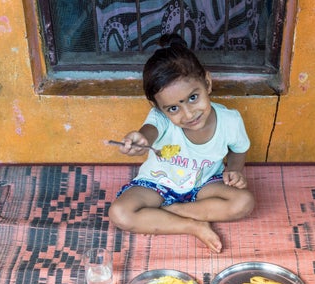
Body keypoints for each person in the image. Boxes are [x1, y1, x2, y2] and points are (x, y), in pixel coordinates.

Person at [108, 33, 255, 253]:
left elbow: (239, 150)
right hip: (158, 186)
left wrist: (234, 171)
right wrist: (140, 139)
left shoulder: (230, 121)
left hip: (204, 185)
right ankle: (191, 224)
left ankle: (173, 211)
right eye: (173, 108)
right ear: (158, 107)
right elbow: (148, 132)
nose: (188, 114)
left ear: (207, 82)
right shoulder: (160, 120)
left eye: (193, 98)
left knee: (245, 202)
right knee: (119, 213)